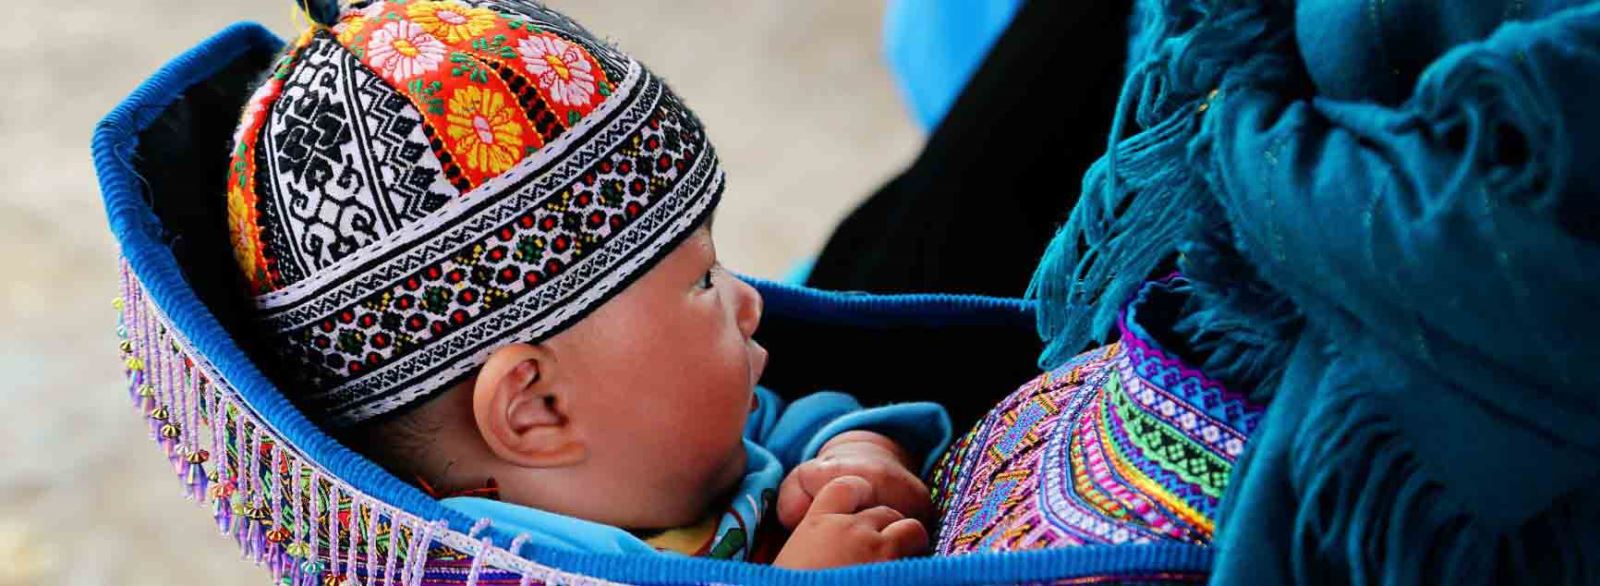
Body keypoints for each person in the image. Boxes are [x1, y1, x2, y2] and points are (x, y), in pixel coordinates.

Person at [223, 0, 949, 569]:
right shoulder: (492, 569)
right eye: (703, 280)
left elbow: (795, 418)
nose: (750, 302)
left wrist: (859, 455)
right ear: (538, 408)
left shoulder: (683, 437)